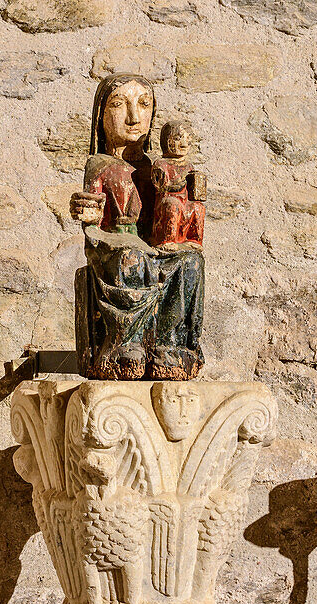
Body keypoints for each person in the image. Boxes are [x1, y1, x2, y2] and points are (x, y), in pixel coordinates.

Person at [70, 73, 204, 381]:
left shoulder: (154, 168)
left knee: (189, 262)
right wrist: (86, 210)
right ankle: (125, 344)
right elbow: (94, 219)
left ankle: (169, 346)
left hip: (154, 244)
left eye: (144, 105)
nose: (133, 117)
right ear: (101, 116)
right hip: (113, 241)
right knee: (132, 257)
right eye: (120, 105)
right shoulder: (100, 164)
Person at [151, 120, 206, 250]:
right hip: (167, 201)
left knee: (198, 207)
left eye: (187, 138)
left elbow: (194, 192)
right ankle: (167, 240)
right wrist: (181, 182)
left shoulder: (189, 166)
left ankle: (193, 239)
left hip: (185, 202)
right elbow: (161, 187)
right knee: (172, 204)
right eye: (177, 138)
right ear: (167, 141)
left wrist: (198, 185)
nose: (184, 143)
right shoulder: (161, 164)